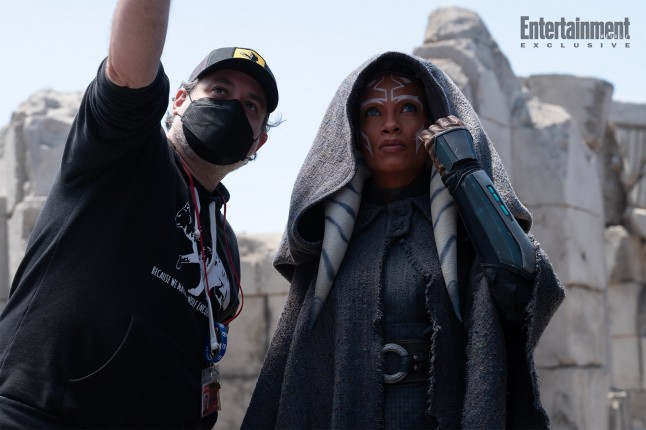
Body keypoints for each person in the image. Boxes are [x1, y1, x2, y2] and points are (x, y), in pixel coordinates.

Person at [242, 52, 564, 429]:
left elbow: (524, 289)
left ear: (432, 120)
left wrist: (465, 173)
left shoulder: (465, 229)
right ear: (352, 130)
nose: (391, 125)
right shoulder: (330, 240)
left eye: (408, 108)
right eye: (373, 112)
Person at [0, 1, 278, 428]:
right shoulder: (124, 150)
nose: (233, 109)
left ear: (258, 142)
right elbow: (130, 70)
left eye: (251, 106)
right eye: (220, 92)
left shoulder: (223, 239)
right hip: (39, 414)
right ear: (180, 100)